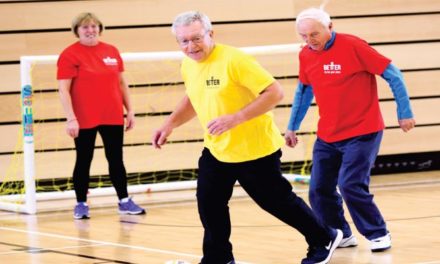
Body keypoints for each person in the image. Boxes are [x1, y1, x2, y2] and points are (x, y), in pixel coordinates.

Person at [152, 11, 342, 264]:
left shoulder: (234, 60)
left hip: (255, 149)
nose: (190, 46)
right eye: (183, 41)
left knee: (276, 202)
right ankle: (218, 258)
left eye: (196, 38)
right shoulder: (188, 63)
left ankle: (324, 237)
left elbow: (274, 93)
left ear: (211, 34)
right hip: (217, 148)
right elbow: (193, 96)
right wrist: (169, 124)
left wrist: (236, 117)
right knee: (209, 203)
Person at [285, 7, 416, 252]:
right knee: (319, 188)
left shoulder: (353, 46)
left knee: (350, 184)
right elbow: (304, 91)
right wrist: (292, 126)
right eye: (303, 36)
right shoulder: (306, 55)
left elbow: (393, 74)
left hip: (363, 131)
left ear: (330, 27)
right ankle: (340, 233)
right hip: (328, 135)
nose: (309, 40)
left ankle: (378, 233)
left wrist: (404, 111)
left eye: (314, 34)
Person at [57, 12, 145, 219]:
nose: (90, 30)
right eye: (85, 27)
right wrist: (71, 118)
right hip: (84, 118)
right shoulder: (69, 54)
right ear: (77, 31)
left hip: (112, 115)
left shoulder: (111, 51)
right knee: (83, 160)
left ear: (100, 28)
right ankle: (81, 203)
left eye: (94, 26)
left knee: (116, 159)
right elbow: (63, 90)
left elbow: (122, 83)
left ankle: (124, 201)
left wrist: (129, 110)